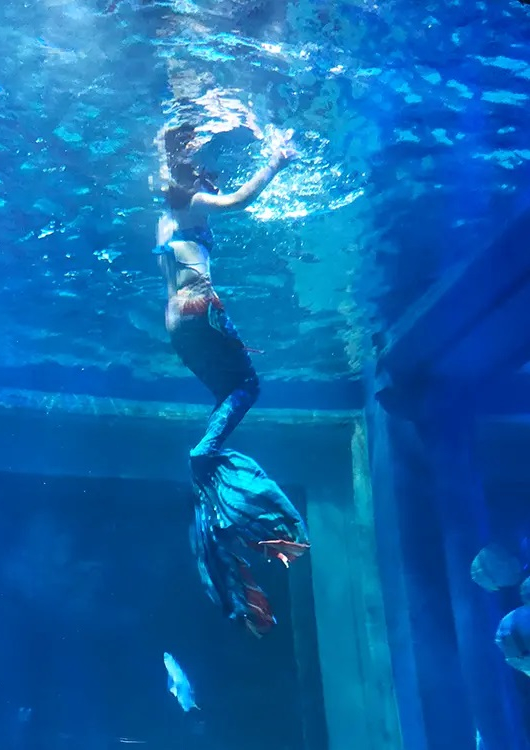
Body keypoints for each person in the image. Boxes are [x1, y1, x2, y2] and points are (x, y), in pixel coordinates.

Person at [154, 123, 310, 637]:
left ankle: (208, 453)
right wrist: (276, 162)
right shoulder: (191, 203)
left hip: (175, 320)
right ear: (190, 170)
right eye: (204, 169)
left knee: (228, 391)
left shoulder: (162, 219)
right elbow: (241, 202)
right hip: (202, 307)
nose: (212, 177)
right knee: (248, 387)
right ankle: (205, 451)